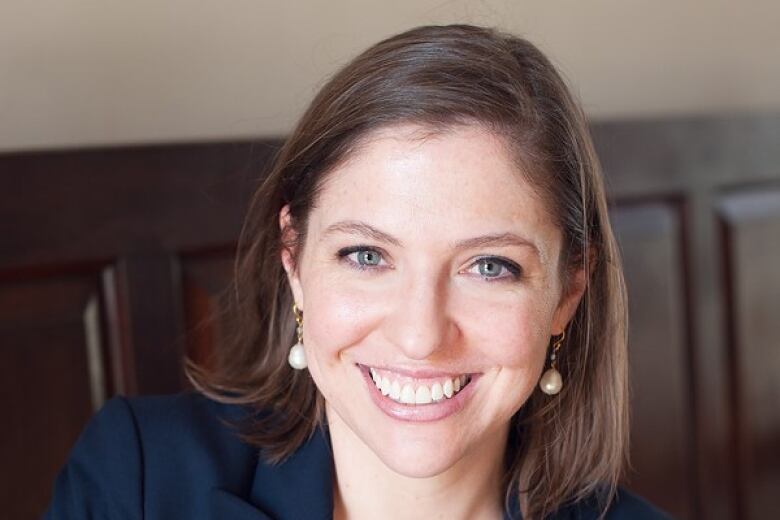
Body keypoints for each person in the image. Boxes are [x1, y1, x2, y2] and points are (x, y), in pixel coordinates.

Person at [46, 24, 671, 519]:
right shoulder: (138, 481)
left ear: (567, 292)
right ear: (293, 258)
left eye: (489, 266)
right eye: (368, 256)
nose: (421, 336)